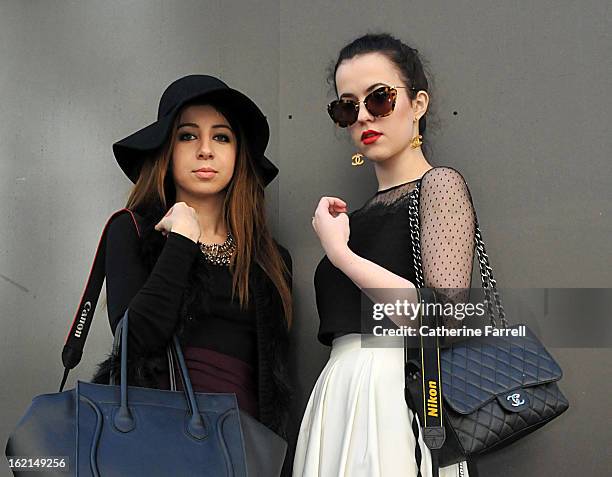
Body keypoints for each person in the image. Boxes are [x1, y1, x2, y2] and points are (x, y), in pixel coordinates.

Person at [293, 34, 476, 476]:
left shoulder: (440, 186)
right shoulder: (354, 218)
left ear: (418, 103)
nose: (362, 117)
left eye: (379, 98)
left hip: (402, 395)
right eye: (346, 107)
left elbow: (443, 319)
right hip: (339, 397)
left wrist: (340, 253)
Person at [91, 75, 293, 444]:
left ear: (237, 153)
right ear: (166, 150)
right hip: (156, 442)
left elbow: (274, 381)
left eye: (221, 136)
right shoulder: (133, 232)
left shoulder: (269, 260)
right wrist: (182, 238)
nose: (205, 150)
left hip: (242, 448)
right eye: (187, 135)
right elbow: (134, 340)